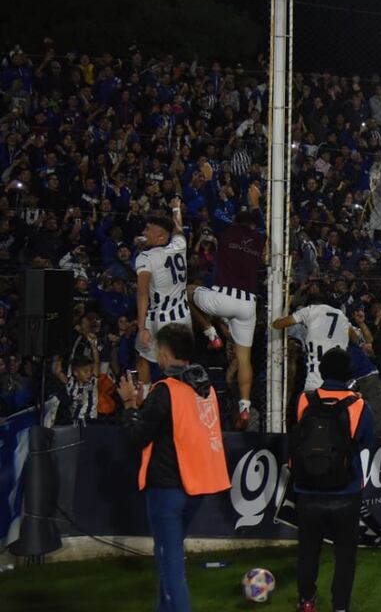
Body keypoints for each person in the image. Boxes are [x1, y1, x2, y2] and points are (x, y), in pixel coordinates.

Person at [118, 323, 231, 612]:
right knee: (166, 559)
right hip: (197, 485)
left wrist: (130, 404)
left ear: (165, 354)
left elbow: (138, 436)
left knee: (170, 567)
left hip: (167, 488)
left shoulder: (165, 390)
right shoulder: (205, 387)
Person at [290, 348, 375, 612]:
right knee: (345, 554)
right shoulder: (360, 405)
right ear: (349, 373)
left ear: (322, 371)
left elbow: (297, 438)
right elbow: (366, 445)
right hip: (345, 491)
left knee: (308, 550)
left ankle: (306, 601)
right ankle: (340, 607)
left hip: (307, 489)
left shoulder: (304, 400)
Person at [187, 183, 264, 429]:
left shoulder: (228, 230)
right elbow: (260, 219)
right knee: (244, 359)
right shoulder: (259, 237)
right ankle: (244, 406)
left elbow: (211, 206)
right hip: (248, 305)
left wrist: (209, 181)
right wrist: (255, 202)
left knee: (188, 291)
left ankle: (211, 334)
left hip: (223, 299)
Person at [135, 200, 191, 385]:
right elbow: (177, 228)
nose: (144, 233)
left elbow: (142, 293)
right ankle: (181, 399)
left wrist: (142, 327)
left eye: (148, 230)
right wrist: (176, 208)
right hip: (183, 318)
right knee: (182, 362)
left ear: (160, 237)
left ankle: (145, 400)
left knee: (143, 359)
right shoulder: (179, 246)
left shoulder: (145, 258)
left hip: (159, 318)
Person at [272, 294, 357, 392]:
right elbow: (355, 338)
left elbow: (277, 325)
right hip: (340, 384)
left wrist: (287, 305)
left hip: (315, 381)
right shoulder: (342, 316)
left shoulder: (310, 310)